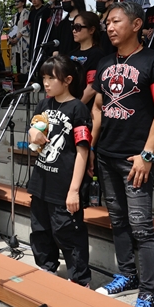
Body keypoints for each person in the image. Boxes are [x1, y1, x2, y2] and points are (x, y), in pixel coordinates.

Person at [90, 2, 154, 307]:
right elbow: (98, 107)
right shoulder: (104, 63)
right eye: (107, 23)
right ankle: (126, 274)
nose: (109, 27)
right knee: (118, 220)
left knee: (141, 227)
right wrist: (92, 149)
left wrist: (147, 155)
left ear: (136, 24)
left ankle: (149, 293)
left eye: (116, 21)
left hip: (135, 159)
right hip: (106, 155)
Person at [27, 56, 93, 287]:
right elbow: (34, 133)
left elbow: (82, 151)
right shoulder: (43, 105)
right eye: (44, 77)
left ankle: (79, 279)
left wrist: (74, 190)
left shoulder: (78, 109)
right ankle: (47, 267)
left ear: (67, 80)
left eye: (51, 78)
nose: (46, 83)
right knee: (40, 230)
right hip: (41, 180)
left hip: (64, 184)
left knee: (69, 233)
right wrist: (32, 134)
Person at [68, 11, 105, 106]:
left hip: (85, 108)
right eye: (73, 27)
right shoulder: (71, 54)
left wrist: (74, 107)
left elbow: (91, 87)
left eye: (78, 27)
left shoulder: (97, 54)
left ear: (91, 30)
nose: (74, 31)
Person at [8, 0, 30, 78]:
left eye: (18, 1)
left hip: (23, 41)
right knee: (15, 61)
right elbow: (13, 28)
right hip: (15, 42)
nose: (16, 3)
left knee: (23, 60)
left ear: (23, 3)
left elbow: (26, 27)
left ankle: (23, 78)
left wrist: (17, 38)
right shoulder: (15, 15)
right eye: (15, 1)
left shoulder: (26, 13)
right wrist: (10, 37)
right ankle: (15, 76)